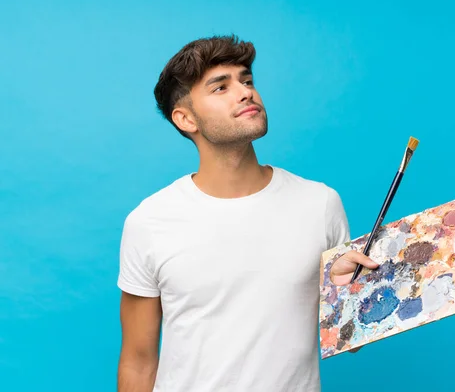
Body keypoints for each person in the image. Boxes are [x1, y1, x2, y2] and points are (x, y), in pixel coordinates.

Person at [116, 34, 379, 392]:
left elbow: (350, 336)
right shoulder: (149, 221)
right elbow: (138, 360)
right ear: (186, 119)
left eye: (247, 80)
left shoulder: (320, 204)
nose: (245, 92)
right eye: (220, 88)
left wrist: (351, 296)